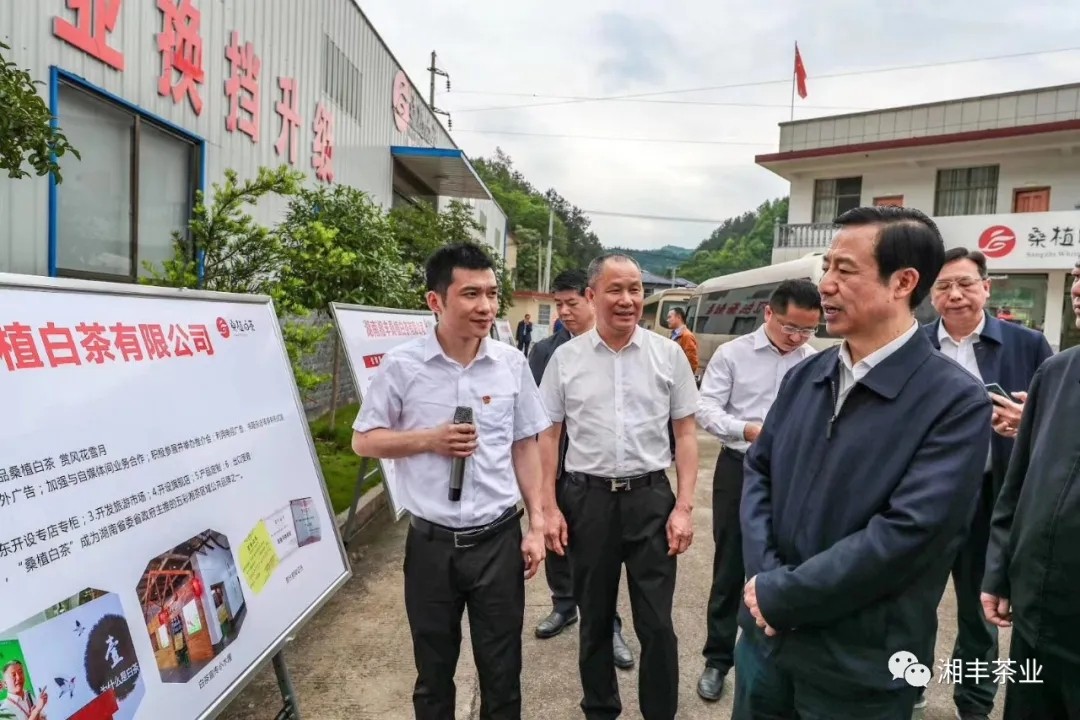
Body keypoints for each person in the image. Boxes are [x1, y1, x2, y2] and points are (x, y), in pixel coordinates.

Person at [735, 206, 992, 719]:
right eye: (827, 267)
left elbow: (908, 534)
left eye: (845, 270)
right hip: (766, 643)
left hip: (859, 665)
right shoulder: (807, 376)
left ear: (903, 282)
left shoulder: (955, 401)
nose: (826, 285)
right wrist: (766, 581)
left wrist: (785, 595)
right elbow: (759, 472)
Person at [351, 242, 549, 720]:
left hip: (498, 541)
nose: (486, 307)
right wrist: (429, 439)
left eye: (492, 294)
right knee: (433, 675)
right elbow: (364, 440)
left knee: (502, 674)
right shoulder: (403, 366)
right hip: (431, 547)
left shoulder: (511, 365)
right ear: (435, 301)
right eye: (471, 294)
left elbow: (525, 445)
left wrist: (538, 525)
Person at [538, 253, 699, 720]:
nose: (627, 299)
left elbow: (686, 434)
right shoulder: (566, 359)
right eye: (616, 289)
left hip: (650, 500)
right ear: (593, 295)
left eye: (635, 289)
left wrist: (684, 507)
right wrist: (548, 507)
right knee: (593, 620)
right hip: (587, 501)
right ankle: (600, 709)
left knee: (658, 624)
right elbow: (549, 435)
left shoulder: (668, 355)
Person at [913, 246, 1052, 720]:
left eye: (965, 283)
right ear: (930, 295)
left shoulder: (1028, 345)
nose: (954, 294)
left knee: (980, 608)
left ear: (986, 288)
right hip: (926, 497)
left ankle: (974, 703)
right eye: (943, 286)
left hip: (992, 497)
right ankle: (908, 688)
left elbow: (1055, 418)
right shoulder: (915, 345)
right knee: (912, 602)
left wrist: (1026, 421)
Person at [694, 279, 822, 702]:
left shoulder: (815, 361)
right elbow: (705, 408)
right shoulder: (733, 354)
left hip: (794, 474)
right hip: (741, 468)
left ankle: (777, 652)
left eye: (808, 329)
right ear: (769, 313)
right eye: (791, 327)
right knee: (731, 564)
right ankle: (717, 659)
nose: (798, 337)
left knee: (787, 562)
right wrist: (747, 429)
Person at [981, 259, 1080, 719]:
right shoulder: (1057, 373)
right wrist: (1000, 571)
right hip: (1039, 616)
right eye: (1077, 275)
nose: (1077, 289)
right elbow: (1019, 483)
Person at [528, 269, 635, 670]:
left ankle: (610, 624)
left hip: (600, 470)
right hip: (555, 464)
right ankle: (563, 605)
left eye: (571, 303)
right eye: (558, 304)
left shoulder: (615, 347)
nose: (564, 311)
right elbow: (536, 415)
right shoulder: (546, 351)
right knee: (556, 537)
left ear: (591, 299)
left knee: (603, 554)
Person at [667, 307, 699, 375]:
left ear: (679, 317)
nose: (667, 320)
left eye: (669, 317)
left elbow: (692, 361)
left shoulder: (687, 336)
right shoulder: (674, 334)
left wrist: (685, 377)